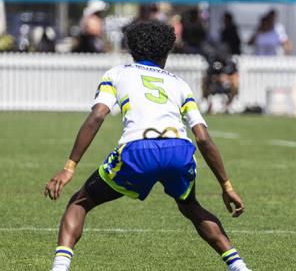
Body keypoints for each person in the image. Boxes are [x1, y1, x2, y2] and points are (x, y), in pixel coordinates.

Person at [44, 21, 251, 271]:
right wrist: (226, 186)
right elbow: (203, 138)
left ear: (132, 50)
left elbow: (98, 115)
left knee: (80, 202)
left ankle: (59, 267)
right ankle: (239, 267)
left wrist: (69, 167)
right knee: (190, 206)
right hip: (179, 151)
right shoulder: (179, 83)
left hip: (138, 150)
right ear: (166, 53)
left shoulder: (118, 73)